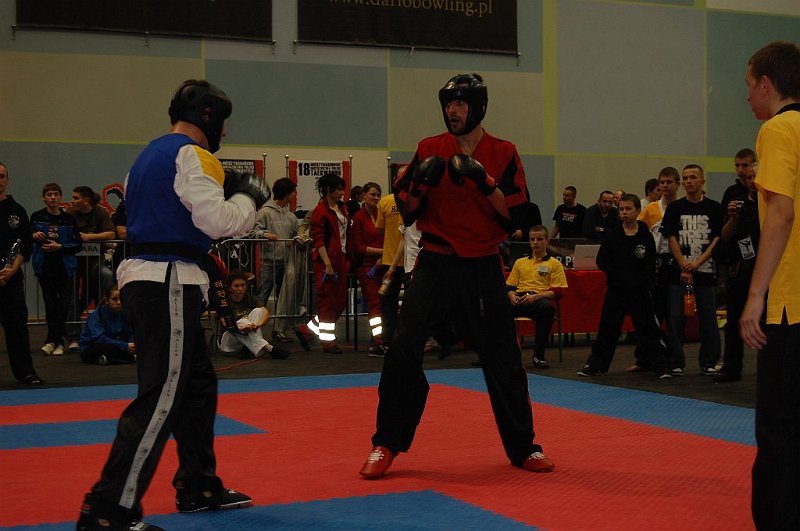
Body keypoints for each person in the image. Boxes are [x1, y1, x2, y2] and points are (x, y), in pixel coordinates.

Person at [77, 79, 267, 531]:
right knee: (161, 397)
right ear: (209, 117)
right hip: (168, 281)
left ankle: (198, 483)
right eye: (223, 122)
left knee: (197, 386)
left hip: (155, 277)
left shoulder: (145, 158)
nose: (225, 132)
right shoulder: (191, 154)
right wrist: (249, 196)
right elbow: (218, 222)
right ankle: (108, 511)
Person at [359, 73, 554, 479]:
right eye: (449, 103)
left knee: (503, 355)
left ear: (478, 106)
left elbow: (515, 217)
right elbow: (408, 211)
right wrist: (420, 182)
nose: (453, 110)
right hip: (436, 261)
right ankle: (386, 442)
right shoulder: (429, 148)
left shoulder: (503, 152)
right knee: (403, 346)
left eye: (461, 103)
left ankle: (523, 446)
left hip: (483, 263)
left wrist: (485, 183)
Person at [738, 40, 800, 530]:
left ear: (766, 83)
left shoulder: (779, 128)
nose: (746, 96)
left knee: (779, 429)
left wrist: (755, 295)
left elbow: (781, 212)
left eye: (748, 84)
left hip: (788, 305)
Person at [576, 194, 671, 378]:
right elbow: (602, 260)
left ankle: (660, 364)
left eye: (628, 209)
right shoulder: (614, 235)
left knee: (648, 329)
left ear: (637, 211)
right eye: (621, 209)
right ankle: (596, 365)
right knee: (608, 329)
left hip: (639, 290)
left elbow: (650, 262)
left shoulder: (645, 235)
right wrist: (618, 276)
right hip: (617, 289)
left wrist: (644, 281)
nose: (624, 213)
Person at [660, 164, 723, 376]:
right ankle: (676, 362)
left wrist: (698, 262)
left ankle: (709, 361)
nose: (689, 181)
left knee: (708, 317)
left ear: (702, 181)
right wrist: (683, 264)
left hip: (705, 271)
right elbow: (671, 237)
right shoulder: (674, 208)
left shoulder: (714, 208)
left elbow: (717, 238)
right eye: (685, 178)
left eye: (693, 177)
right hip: (678, 272)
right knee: (676, 317)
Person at [0, 162, 43, 385]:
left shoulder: (17, 210)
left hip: (11, 278)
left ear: (7, 180)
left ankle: (26, 371)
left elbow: (25, 245)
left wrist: (13, 268)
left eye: (2, 176)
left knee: (17, 328)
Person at [716, 163, 759, 383]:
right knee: (733, 321)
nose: (752, 181)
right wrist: (733, 217)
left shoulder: (770, 204)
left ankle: (770, 367)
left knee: (769, 322)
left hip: (764, 269)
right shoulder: (738, 204)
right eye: (749, 177)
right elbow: (724, 236)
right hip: (740, 270)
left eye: (755, 177)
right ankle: (731, 367)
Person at [299, 172, 351, 354]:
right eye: (339, 189)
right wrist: (327, 264)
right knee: (327, 302)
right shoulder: (320, 211)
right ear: (329, 190)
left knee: (340, 302)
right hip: (326, 261)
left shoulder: (342, 208)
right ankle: (328, 342)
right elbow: (319, 240)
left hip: (341, 259)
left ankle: (307, 330)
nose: (342, 193)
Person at [506, 225, 568, 369]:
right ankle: (498, 355)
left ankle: (538, 356)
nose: (535, 242)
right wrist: (511, 296)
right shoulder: (520, 262)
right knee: (494, 308)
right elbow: (509, 286)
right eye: (532, 239)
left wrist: (536, 297)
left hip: (538, 299)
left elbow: (559, 291)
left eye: (539, 239)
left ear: (547, 241)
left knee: (548, 310)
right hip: (518, 298)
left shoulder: (554, 264)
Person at [30, 182, 81, 356]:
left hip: (65, 268)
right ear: (43, 198)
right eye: (49, 194)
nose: (52, 197)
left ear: (60, 197)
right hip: (45, 268)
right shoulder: (37, 217)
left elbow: (77, 244)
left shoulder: (69, 219)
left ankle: (53, 340)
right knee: (50, 306)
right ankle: (56, 342)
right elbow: (27, 237)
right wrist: (33, 235)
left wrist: (60, 247)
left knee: (63, 306)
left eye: (55, 194)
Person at [65, 185, 116, 351]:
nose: (72, 201)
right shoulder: (69, 214)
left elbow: (111, 234)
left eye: (76, 198)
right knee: (73, 296)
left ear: (86, 200)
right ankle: (73, 336)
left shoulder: (100, 212)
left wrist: (89, 237)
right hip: (74, 262)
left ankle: (103, 325)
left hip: (95, 262)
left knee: (106, 275)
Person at [250, 177, 300, 342]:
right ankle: (252, 329)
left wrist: (297, 240)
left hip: (286, 262)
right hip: (269, 262)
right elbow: (253, 232)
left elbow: (296, 234)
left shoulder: (291, 217)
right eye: (292, 192)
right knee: (262, 296)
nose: (294, 195)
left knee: (284, 298)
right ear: (286, 193)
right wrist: (265, 235)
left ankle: (279, 330)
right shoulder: (264, 212)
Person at [638, 167, 681, 326]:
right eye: (662, 182)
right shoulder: (651, 208)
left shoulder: (682, 206)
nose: (665, 185)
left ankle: (675, 339)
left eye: (669, 182)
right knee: (657, 304)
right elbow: (639, 232)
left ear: (678, 184)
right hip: (657, 261)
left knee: (676, 307)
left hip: (678, 261)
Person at [218, 270, 290, 360]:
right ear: (229, 288)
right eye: (236, 286)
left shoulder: (249, 298)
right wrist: (241, 328)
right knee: (243, 321)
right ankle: (268, 348)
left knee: (258, 311)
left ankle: (250, 348)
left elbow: (266, 313)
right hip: (229, 341)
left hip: (248, 338)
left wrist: (257, 325)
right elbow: (224, 323)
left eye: (243, 285)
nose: (240, 289)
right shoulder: (224, 302)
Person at [350, 182, 386, 356]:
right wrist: (383, 252)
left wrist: (384, 256)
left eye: (378, 195)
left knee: (384, 303)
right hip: (366, 267)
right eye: (372, 194)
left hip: (384, 265)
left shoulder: (382, 214)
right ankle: (379, 341)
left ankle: (385, 338)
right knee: (374, 303)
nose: (376, 198)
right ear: (364, 195)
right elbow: (359, 247)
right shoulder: (357, 218)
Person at [79, 284, 136, 365]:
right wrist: (125, 346)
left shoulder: (124, 313)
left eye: (121, 299)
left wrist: (132, 345)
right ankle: (130, 358)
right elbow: (99, 339)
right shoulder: (96, 315)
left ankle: (107, 359)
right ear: (107, 300)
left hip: (113, 343)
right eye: (114, 299)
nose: (119, 302)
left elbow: (128, 333)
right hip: (92, 346)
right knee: (110, 348)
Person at [375, 192, 404, 350]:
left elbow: (380, 230)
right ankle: (392, 339)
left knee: (388, 302)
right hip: (402, 260)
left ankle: (388, 340)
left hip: (394, 260)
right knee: (390, 302)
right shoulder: (415, 201)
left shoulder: (385, 202)